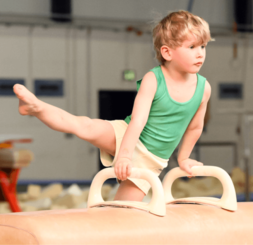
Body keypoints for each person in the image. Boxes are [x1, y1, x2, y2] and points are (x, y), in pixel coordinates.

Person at [13, 10, 212, 203]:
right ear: (167, 52)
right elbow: (138, 120)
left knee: (123, 211)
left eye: (203, 46)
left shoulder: (203, 88)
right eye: (192, 47)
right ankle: (36, 107)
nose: (200, 54)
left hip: (150, 160)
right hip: (126, 135)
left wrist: (184, 158)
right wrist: (125, 156)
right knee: (84, 125)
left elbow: (194, 127)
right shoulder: (154, 79)